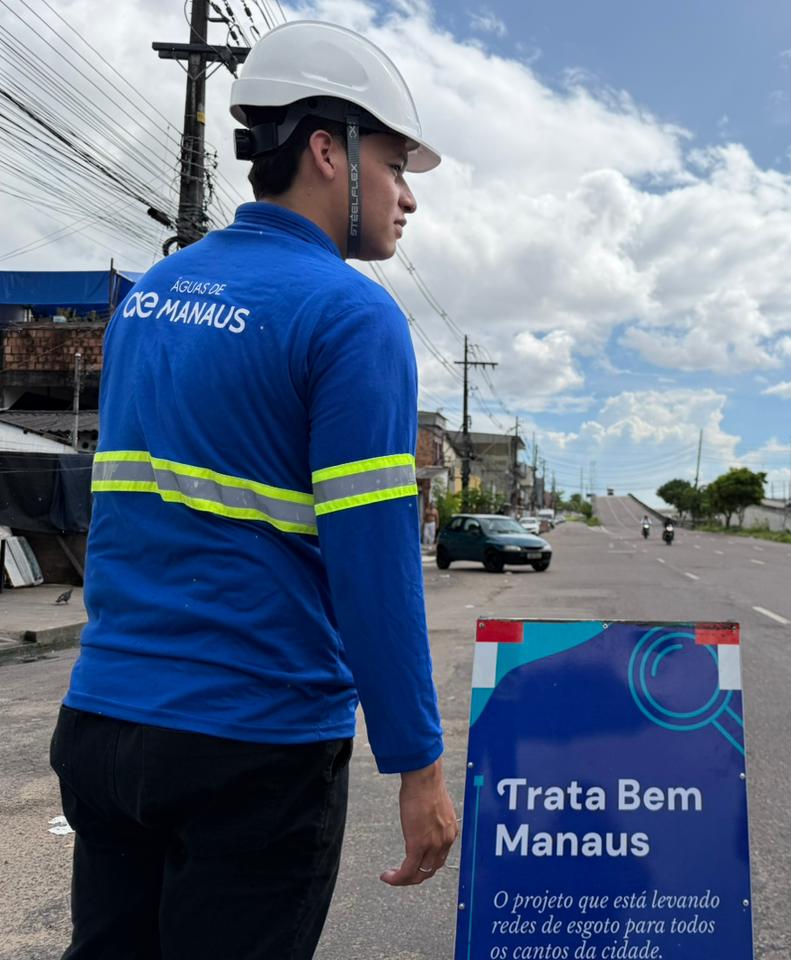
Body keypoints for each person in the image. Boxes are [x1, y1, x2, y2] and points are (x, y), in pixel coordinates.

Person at [49, 21, 458, 959]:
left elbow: (120, 521)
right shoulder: (351, 315)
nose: (407, 199)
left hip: (104, 725)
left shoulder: (147, 299)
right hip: (254, 743)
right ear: (328, 149)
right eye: (398, 166)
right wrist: (416, 763)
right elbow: (374, 563)